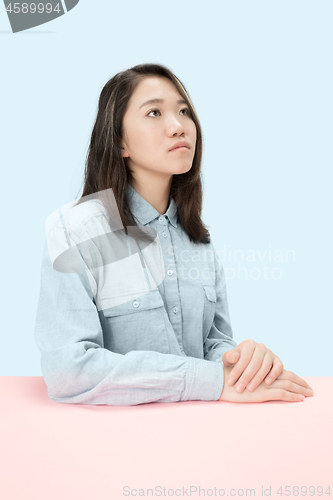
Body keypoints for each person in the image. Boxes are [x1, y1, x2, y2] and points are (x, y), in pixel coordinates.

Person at [34, 63, 314, 406]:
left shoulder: (198, 240)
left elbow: (212, 342)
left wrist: (242, 364)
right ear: (120, 141)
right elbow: (68, 371)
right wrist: (209, 381)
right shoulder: (76, 231)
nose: (178, 125)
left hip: (200, 439)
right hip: (110, 445)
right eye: (154, 112)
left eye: (184, 111)